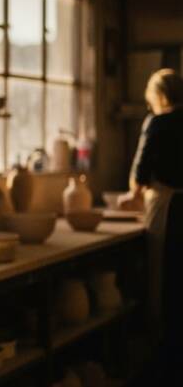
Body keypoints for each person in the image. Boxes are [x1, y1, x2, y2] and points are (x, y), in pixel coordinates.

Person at [118, 68, 183, 383]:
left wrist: (132, 195)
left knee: (163, 277)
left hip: (169, 206)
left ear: (159, 96)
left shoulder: (158, 122)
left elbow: (140, 173)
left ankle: (162, 359)